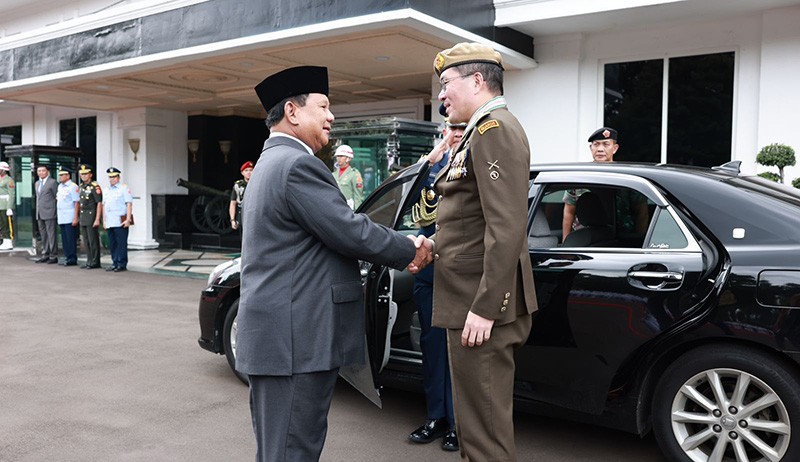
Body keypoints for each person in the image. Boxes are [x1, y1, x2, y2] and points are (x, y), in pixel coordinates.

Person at [236, 65, 430, 462]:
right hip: (296, 342)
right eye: (323, 106)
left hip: (283, 339)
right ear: (292, 112)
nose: (331, 116)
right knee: (292, 451)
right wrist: (411, 249)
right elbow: (350, 231)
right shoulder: (297, 165)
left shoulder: (270, 163)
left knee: (280, 450)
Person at [420, 42, 538, 461]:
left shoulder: (495, 130)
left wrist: (486, 307)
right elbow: (471, 220)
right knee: (476, 428)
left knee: (484, 436)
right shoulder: (479, 130)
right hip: (470, 299)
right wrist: (433, 243)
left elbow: (506, 229)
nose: (441, 95)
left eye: (446, 83)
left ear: (476, 80)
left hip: (481, 305)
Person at [407, 106, 464, 452]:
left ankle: (458, 424)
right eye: (450, 129)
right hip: (429, 271)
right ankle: (436, 417)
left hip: (458, 273)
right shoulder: (435, 168)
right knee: (432, 347)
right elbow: (414, 206)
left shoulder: (474, 165)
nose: (455, 134)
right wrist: (431, 159)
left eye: (460, 128)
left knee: (455, 351)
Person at [562, 127, 648, 241]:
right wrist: (565, 244)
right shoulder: (580, 175)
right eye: (596, 144)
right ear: (590, 148)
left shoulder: (626, 176)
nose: (600, 149)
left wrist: (640, 241)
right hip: (584, 240)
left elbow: (641, 212)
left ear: (615, 148)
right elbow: (569, 212)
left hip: (622, 241)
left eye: (606, 144)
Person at [103, 167, 133, 272]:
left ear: (118, 177)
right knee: (113, 244)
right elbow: (104, 206)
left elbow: (129, 204)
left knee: (121, 243)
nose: (112, 179)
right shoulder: (106, 190)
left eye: (114, 177)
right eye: (110, 177)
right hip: (110, 221)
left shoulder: (124, 188)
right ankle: (114, 262)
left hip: (120, 221)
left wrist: (128, 219)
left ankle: (122, 263)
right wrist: (105, 220)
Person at [78, 164, 103, 269]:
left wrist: (97, 219)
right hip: (83, 216)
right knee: (86, 240)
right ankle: (89, 260)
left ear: (90, 175)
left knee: (93, 240)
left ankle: (95, 261)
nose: (83, 176)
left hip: (91, 216)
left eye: (85, 174)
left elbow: (99, 203)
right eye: (82, 174)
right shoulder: (81, 187)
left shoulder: (94, 187)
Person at [34, 165, 59, 264]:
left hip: (50, 212)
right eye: (39, 171)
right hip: (40, 212)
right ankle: (45, 253)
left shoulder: (52, 182)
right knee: (43, 234)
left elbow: (56, 197)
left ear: (47, 172)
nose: (40, 172)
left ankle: (53, 255)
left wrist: (54, 211)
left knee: (51, 234)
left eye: (43, 170)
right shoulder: (37, 183)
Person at [56, 169, 80, 266]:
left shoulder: (73, 187)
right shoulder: (60, 186)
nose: (60, 177)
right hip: (62, 216)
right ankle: (67, 257)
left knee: (71, 238)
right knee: (65, 239)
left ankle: (72, 258)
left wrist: (75, 217)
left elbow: (76, 202)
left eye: (62, 175)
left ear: (68, 176)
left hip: (70, 216)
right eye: (60, 175)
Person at [332, 144, 364, 209]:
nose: (338, 158)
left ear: (348, 158)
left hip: (348, 210)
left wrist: (357, 213)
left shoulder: (354, 174)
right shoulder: (333, 175)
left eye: (341, 156)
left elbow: (358, 196)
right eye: (337, 156)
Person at [229, 160, 253, 231]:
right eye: (246, 170)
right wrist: (232, 220)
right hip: (242, 215)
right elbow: (233, 203)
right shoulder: (238, 186)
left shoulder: (258, 184)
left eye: (251, 170)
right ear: (242, 173)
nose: (249, 172)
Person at [0, 161, 14, 250]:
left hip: (5, 205)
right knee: (1, 224)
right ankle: (4, 241)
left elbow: (11, 194)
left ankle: (8, 241)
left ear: (4, 170)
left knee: (6, 224)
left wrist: (9, 207)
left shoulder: (9, 180)